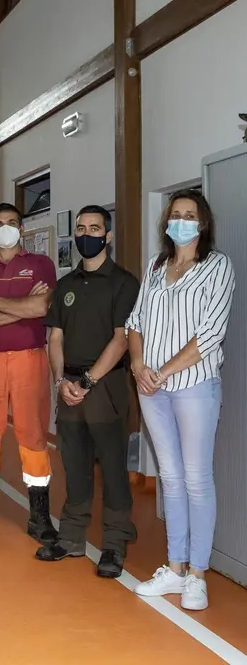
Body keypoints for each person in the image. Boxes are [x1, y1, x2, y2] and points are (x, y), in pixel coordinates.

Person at [128, 190, 234, 611]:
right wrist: (138, 365)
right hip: (150, 386)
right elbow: (134, 321)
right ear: (166, 222)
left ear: (202, 223)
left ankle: (198, 575)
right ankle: (174, 567)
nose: (182, 221)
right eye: (176, 215)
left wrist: (163, 371)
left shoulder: (217, 266)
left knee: (196, 478)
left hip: (192, 385)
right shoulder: (156, 267)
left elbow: (210, 334)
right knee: (169, 478)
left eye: (190, 216)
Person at [36, 205, 139, 577]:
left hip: (106, 386)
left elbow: (121, 340)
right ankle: (71, 538)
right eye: (80, 228)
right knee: (75, 466)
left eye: (95, 228)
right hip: (70, 390)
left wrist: (88, 381)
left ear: (108, 236)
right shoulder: (65, 286)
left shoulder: (124, 283)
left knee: (112, 469)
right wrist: (61, 380)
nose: (86, 234)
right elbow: (55, 337)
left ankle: (113, 545)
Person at [0, 203, 57, 545]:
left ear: (22, 228)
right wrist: (21, 310)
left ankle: (40, 516)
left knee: (33, 436)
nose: (5, 228)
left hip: (30, 360)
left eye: (12, 223)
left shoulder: (40, 264)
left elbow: (42, 308)